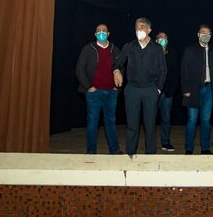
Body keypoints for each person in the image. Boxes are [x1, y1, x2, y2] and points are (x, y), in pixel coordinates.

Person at [117, 17, 167, 156]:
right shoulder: (129, 46)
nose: (139, 30)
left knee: (150, 125)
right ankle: (130, 154)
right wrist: (116, 71)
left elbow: (163, 70)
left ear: (149, 30)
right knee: (132, 125)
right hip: (132, 90)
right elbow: (117, 63)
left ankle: (150, 155)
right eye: (136, 27)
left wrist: (158, 89)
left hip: (150, 90)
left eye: (142, 27)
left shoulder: (157, 48)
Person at [75, 23, 124, 154]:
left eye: (104, 31)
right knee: (92, 122)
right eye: (98, 31)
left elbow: (121, 68)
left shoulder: (115, 49)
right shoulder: (88, 49)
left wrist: (117, 87)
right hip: (94, 93)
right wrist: (88, 87)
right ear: (95, 34)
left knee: (111, 122)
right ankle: (91, 151)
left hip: (111, 93)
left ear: (108, 34)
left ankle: (114, 150)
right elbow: (80, 69)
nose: (101, 32)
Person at [181, 24, 213, 155]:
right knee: (192, 120)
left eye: (208, 33)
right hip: (193, 90)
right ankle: (189, 149)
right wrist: (185, 89)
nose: (205, 35)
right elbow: (184, 71)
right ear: (198, 35)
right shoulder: (190, 50)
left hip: (209, 90)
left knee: (206, 120)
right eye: (203, 32)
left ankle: (205, 148)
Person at [156, 31, 179, 151]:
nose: (162, 39)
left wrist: (171, 90)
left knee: (166, 118)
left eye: (165, 37)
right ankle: (150, 143)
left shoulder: (172, 54)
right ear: (156, 40)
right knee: (150, 118)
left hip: (167, 93)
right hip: (154, 92)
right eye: (160, 37)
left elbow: (175, 73)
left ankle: (165, 142)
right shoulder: (152, 53)